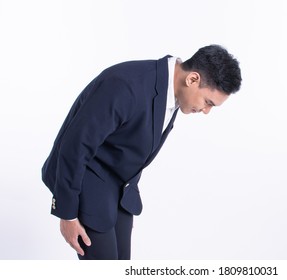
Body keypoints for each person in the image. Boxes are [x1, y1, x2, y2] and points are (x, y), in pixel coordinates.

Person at [41, 44, 242, 260]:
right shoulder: (126, 85)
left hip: (118, 190)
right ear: (192, 79)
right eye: (208, 102)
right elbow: (75, 145)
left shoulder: (174, 92)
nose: (206, 111)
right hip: (85, 180)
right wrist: (67, 213)